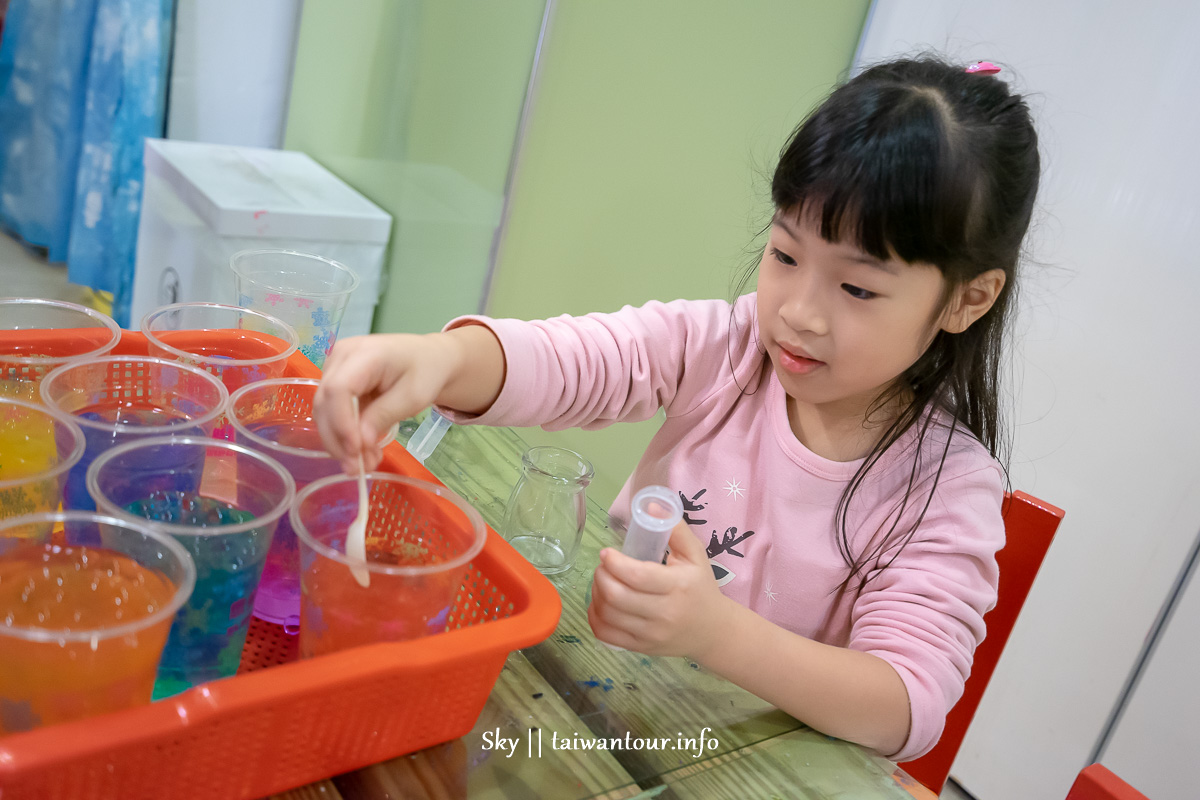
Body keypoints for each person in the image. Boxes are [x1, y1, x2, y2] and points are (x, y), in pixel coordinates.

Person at [312, 55, 1041, 762]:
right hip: (606, 713)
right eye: (785, 256)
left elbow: (907, 706)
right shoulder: (724, 347)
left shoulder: (945, 485)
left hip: (755, 767)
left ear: (968, 299)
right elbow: (578, 362)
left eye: (857, 290)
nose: (800, 314)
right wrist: (442, 361)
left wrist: (715, 633)